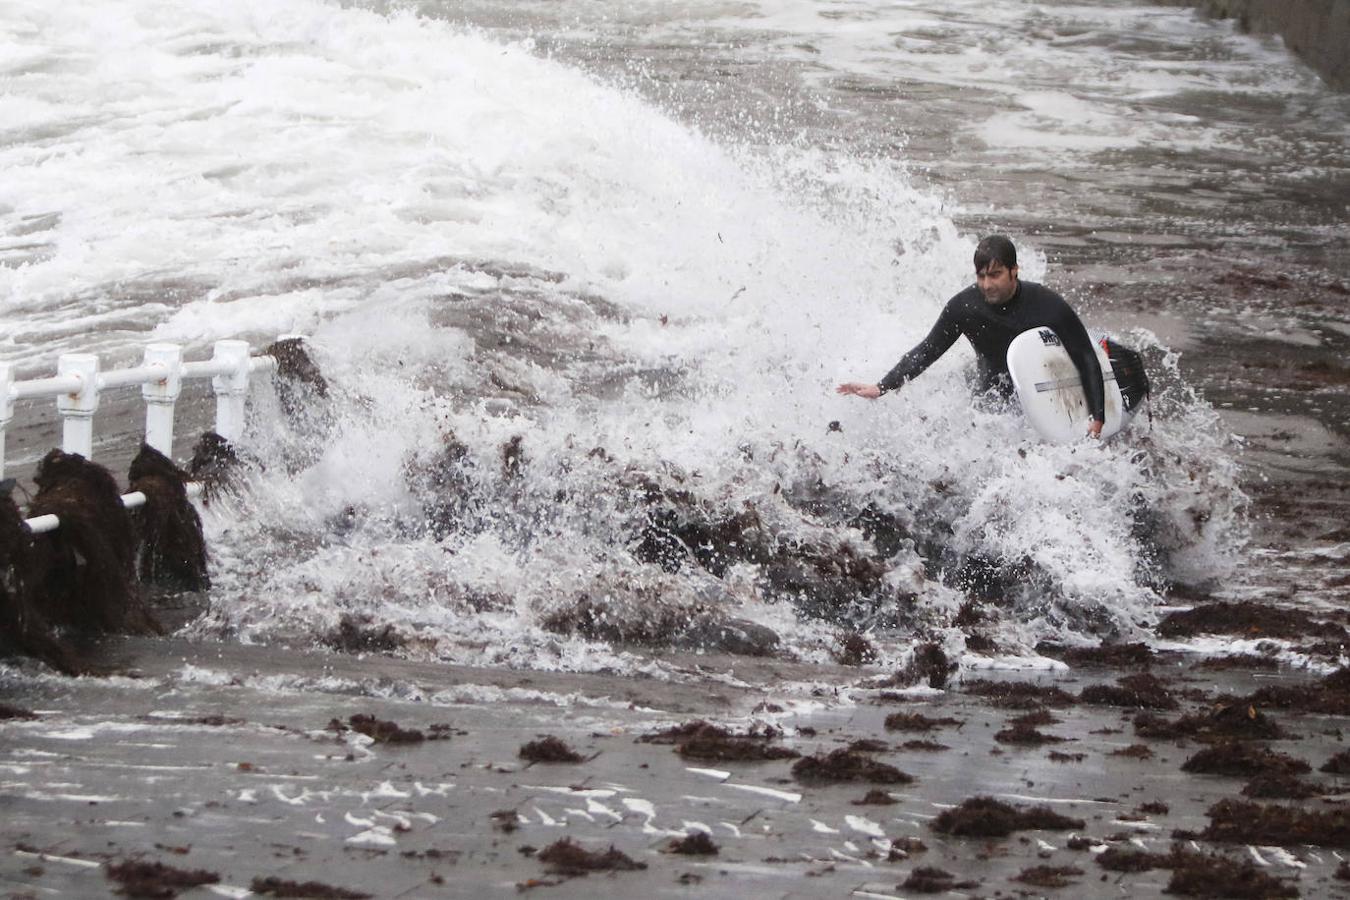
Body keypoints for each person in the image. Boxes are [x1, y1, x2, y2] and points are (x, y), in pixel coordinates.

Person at [837, 235, 1106, 438]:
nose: (987, 285)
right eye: (981, 276)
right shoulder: (964, 308)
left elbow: (1084, 355)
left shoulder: (1046, 305)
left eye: (996, 275)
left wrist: (1098, 417)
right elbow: (928, 350)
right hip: (990, 404)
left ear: (1015, 270)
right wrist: (882, 386)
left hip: (1038, 395)